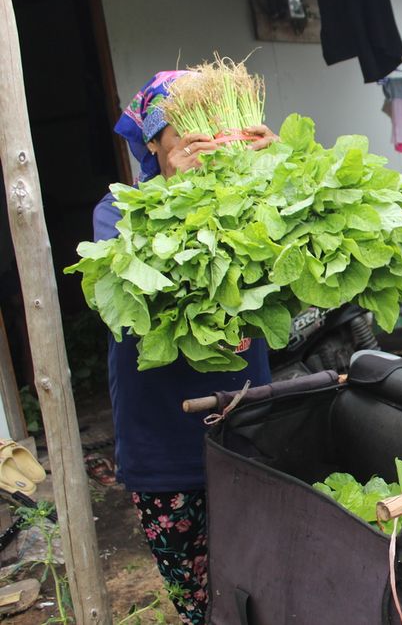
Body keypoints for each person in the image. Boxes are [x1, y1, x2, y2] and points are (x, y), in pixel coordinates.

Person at [93, 71, 277, 624]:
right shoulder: (118, 211)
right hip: (165, 445)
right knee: (203, 603)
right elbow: (138, 302)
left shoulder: (258, 200)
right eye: (189, 128)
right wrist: (178, 193)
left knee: (274, 580)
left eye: (222, 124)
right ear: (154, 143)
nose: (211, 138)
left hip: (249, 426)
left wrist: (276, 174)